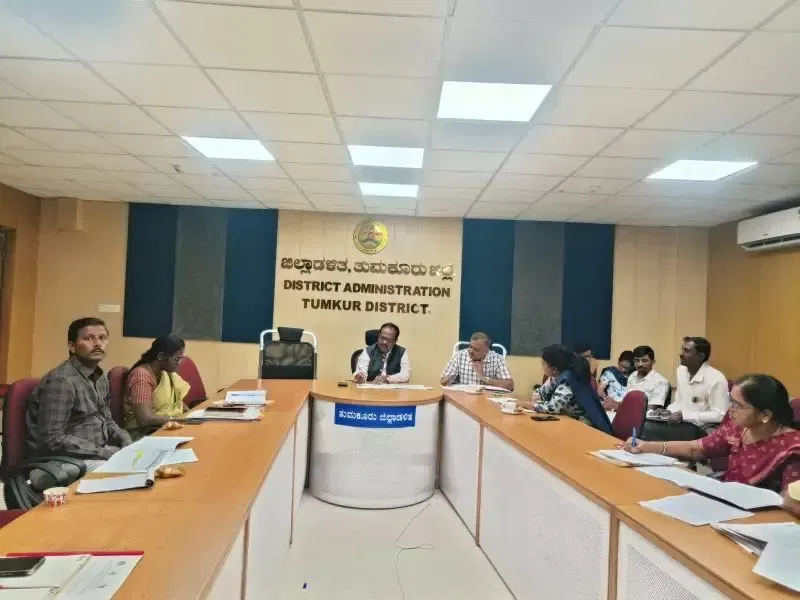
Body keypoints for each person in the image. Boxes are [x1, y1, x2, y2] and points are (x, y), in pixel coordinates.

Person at [622, 375, 800, 496]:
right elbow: (697, 449)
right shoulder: (740, 428)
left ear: (765, 415)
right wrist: (647, 446)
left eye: (738, 405)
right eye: (731, 401)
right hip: (726, 498)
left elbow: (791, 505)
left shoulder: (792, 449)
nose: (730, 410)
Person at [26, 317, 132, 471]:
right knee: (125, 473)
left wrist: (126, 440)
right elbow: (52, 439)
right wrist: (105, 453)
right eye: (88, 338)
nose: (97, 343)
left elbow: (107, 420)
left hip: (95, 453)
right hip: (62, 460)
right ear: (72, 346)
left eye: (102, 338)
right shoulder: (62, 381)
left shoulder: (100, 377)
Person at [642, 336, 729, 442]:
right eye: (682, 349)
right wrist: (668, 411)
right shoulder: (681, 371)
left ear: (700, 356)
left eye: (686, 351)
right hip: (682, 424)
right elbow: (680, 402)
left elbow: (720, 415)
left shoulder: (716, 379)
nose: (681, 354)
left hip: (702, 428)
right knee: (643, 423)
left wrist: (685, 416)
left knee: (647, 428)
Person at [521, 344, 611, 433]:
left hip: (584, 425)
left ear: (554, 369)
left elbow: (553, 408)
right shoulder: (556, 375)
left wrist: (525, 404)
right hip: (569, 420)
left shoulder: (568, 380)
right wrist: (535, 398)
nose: (542, 366)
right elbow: (540, 393)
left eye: (544, 363)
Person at [124, 334, 190, 436]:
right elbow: (145, 420)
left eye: (181, 358)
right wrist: (175, 419)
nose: (179, 362)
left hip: (165, 427)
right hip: (143, 433)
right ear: (161, 357)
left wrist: (190, 416)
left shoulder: (165, 373)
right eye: (177, 359)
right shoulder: (142, 376)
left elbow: (178, 404)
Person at [603, 346, 671, 411]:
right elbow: (627, 402)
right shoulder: (633, 376)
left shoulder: (661, 382)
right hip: (627, 414)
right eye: (637, 360)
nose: (640, 364)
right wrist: (614, 403)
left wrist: (618, 406)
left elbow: (653, 408)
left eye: (644, 361)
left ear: (653, 362)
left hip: (646, 418)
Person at [440, 332, 514, 391]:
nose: (470, 351)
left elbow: (510, 386)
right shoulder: (459, 356)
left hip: (487, 398)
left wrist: (484, 377)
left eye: (476, 349)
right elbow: (443, 380)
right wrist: (446, 380)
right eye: (470, 347)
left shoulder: (497, 359)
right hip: (464, 396)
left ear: (486, 351)